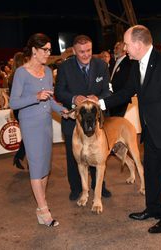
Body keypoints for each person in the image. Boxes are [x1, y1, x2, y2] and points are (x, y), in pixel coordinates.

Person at [99, 25, 161, 233]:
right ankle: (153, 209)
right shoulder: (136, 65)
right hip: (149, 131)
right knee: (152, 172)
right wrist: (100, 104)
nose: (125, 48)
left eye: (127, 44)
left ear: (138, 44)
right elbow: (125, 93)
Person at [9, 33, 69, 227]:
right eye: (45, 50)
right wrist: (36, 96)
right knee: (36, 168)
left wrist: (63, 111)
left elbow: (50, 100)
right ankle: (44, 211)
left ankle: (40, 209)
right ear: (34, 50)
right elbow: (14, 102)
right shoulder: (21, 73)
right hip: (30, 124)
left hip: (45, 123)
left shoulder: (48, 71)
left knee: (45, 168)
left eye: (50, 50)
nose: (48, 54)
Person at [55, 34, 112, 201]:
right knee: (75, 157)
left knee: (98, 155)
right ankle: (76, 188)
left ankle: (99, 186)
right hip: (74, 120)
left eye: (89, 50)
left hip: (96, 120)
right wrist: (74, 98)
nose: (86, 54)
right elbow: (59, 91)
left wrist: (98, 99)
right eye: (81, 52)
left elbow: (108, 90)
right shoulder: (65, 67)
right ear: (74, 51)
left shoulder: (101, 65)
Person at [8, 51, 27, 170]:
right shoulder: (19, 76)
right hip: (22, 108)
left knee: (27, 136)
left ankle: (19, 157)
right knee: (29, 137)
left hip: (18, 109)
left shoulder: (12, 76)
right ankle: (21, 157)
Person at [109, 41, 132, 117]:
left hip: (120, 97)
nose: (114, 50)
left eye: (117, 48)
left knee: (117, 119)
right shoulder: (113, 62)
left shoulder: (128, 63)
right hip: (112, 96)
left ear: (124, 50)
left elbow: (123, 81)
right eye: (114, 48)